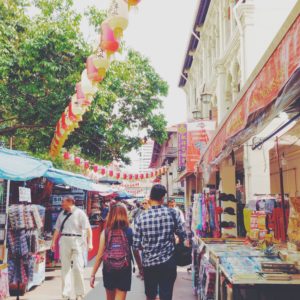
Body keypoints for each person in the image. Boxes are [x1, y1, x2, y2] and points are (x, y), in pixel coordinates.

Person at [133, 184, 187, 300]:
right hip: (168, 262)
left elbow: (135, 246)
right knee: (166, 295)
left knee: (151, 295)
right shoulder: (172, 213)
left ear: (150, 197)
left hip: (149, 264)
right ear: (163, 198)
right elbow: (182, 234)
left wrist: (140, 266)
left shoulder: (141, 218)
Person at [51, 196, 93, 300]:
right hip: (65, 240)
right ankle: (66, 294)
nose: (62, 204)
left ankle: (79, 294)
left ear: (70, 202)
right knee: (65, 268)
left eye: (63, 202)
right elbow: (57, 229)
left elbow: (88, 229)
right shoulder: (61, 214)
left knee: (77, 268)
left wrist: (90, 243)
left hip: (77, 241)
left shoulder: (80, 213)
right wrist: (53, 242)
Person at [90, 203, 135, 300]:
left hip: (108, 268)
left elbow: (99, 256)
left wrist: (93, 274)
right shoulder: (129, 231)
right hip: (125, 268)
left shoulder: (105, 232)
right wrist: (140, 267)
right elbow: (134, 250)